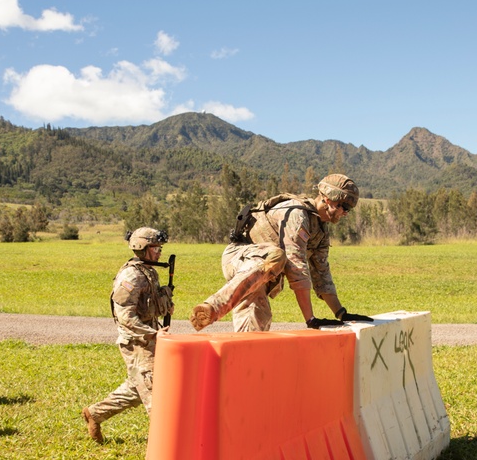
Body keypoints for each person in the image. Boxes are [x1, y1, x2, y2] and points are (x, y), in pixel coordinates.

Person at [189, 173, 374, 332]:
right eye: (344, 206)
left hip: (261, 274)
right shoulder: (297, 214)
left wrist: (341, 313)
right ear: (327, 198)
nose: (346, 213)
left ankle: (236, 355)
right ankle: (214, 306)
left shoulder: (321, 230)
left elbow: (322, 274)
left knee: (254, 329)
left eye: (349, 209)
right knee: (277, 256)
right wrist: (310, 320)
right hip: (241, 258)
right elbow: (296, 266)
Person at [82, 227, 174, 443]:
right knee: (155, 390)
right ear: (142, 248)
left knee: (137, 387)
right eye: (155, 247)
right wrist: (153, 334)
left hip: (150, 337)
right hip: (137, 341)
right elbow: (125, 317)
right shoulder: (131, 275)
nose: (159, 252)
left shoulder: (149, 271)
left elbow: (151, 305)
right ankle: (166, 443)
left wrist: (166, 306)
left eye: (160, 247)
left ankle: (96, 413)